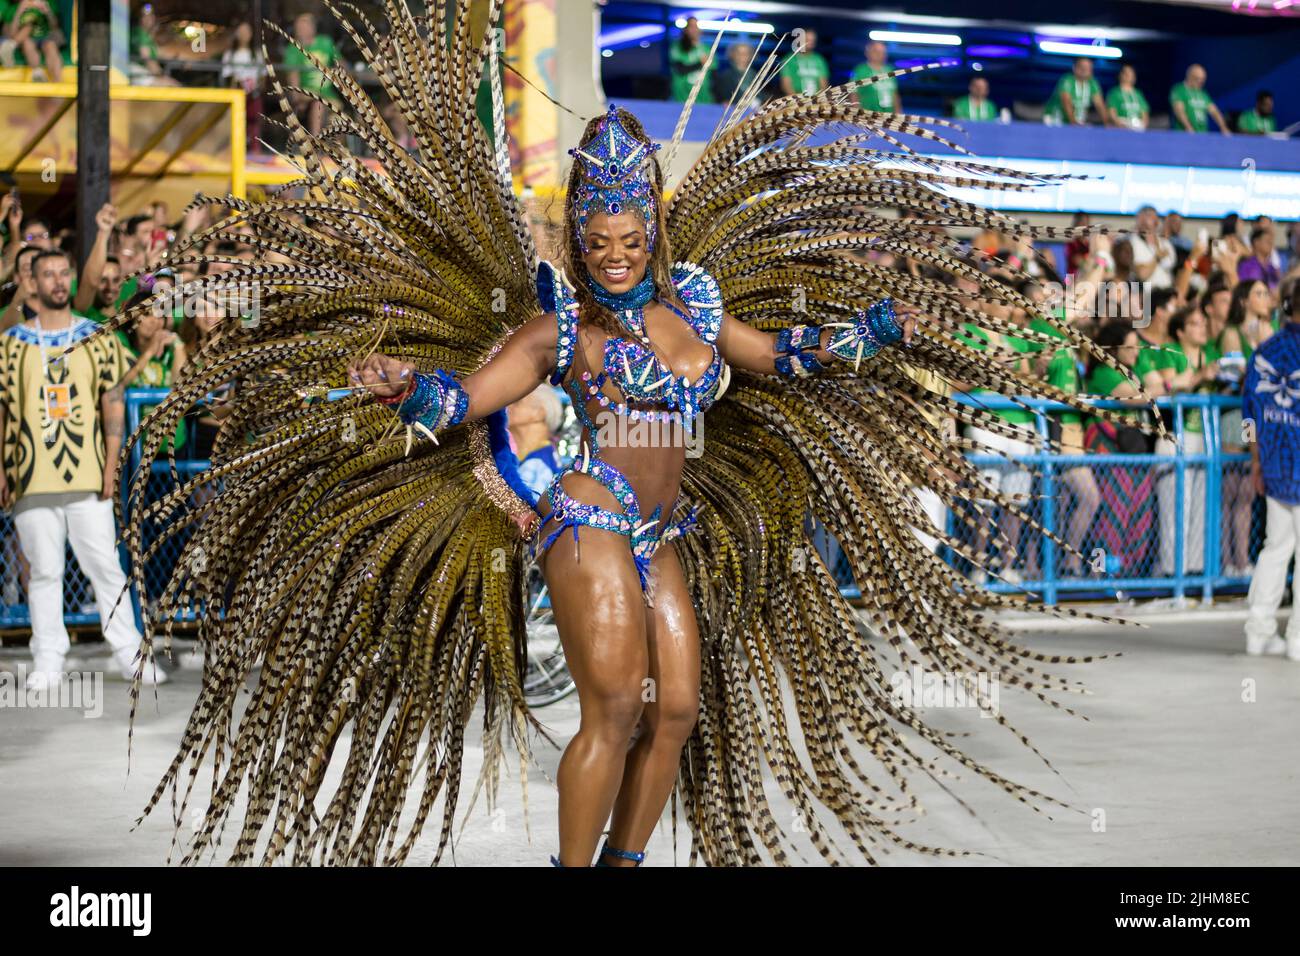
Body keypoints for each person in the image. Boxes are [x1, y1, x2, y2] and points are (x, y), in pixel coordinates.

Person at [108, 3, 1134, 869]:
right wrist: (400, 385)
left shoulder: (695, 297)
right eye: (594, 236)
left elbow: (774, 355)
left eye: (626, 233)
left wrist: (863, 332)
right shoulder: (558, 320)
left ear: (651, 222)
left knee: (675, 709)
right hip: (585, 509)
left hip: (663, 526)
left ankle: (622, 861)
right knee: (613, 706)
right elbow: (465, 396)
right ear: (579, 230)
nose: (609, 250)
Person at [0, 250, 165, 689]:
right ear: (31, 284)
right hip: (30, 475)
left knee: (106, 568)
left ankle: (131, 654)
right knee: (44, 571)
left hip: (87, 475)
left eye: (62, 273)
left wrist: (112, 465)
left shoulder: (97, 335)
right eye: (47, 274)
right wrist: (1, 467)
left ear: (70, 280)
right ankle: (48, 660)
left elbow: (111, 400)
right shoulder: (11, 342)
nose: (56, 281)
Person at [1242, 280, 1300, 658]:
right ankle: (1297, 639)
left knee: (1276, 546)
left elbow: (1249, 417)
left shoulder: (1263, 352)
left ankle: (1259, 631)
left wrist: (1256, 461)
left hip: (1276, 465)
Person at [1083, 322, 1157, 576]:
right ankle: (1099, 572)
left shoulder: (1132, 370)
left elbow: (1151, 389)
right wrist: (1163, 388)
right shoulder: (1103, 372)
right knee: (1112, 510)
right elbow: (1138, 397)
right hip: (1106, 444)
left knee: (1138, 506)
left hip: (1131, 446)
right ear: (1114, 348)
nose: (1136, 352)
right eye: (1130, 346)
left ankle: (1126, 569)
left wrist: (1156, 387)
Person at [1154, 305, 1218, 577]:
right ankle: (1172, 570)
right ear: (1180, 331)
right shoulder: (1169, 352)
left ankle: (1195, 569)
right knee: (1176, 504)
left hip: (1204, 437)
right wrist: (1200, 376)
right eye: (1194, 323)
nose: (1202, 327)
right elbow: (1171, 387)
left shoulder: (1211, 354)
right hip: (1174, 436)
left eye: (1203, 322)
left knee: (1202, 506)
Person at [284, 13, 343, 137]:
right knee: (318, 103)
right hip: (306, 94)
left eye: (303, 26)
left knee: (338, 112)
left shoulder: (326, 43)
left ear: (313, 27)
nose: (300, 29)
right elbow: (292, 76)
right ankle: (316, 143)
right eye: (298, 27)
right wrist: (296, 101)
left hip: (329, 95)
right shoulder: (293, 48)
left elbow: (341, 64)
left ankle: (338, 150)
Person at [507, 383, 564, 501]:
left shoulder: (538, 465)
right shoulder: (542, 457)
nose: (508, 407)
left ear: (539, 413)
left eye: (517, 403)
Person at [220, 21, 264, 155]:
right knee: (237, 121)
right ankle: (236, 149)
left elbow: (263, 76)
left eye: (247, 31)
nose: (244, 35)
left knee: (254, 122)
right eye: (241, 31)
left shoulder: (257, 55)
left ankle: (255, 149)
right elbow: (227, 76)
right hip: (237, 95)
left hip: (254, 94)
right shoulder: (230, 54)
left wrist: (256, 88)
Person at [2, 0, 63, 81]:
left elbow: (54, 26)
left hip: (46, 38)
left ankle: (58, 84)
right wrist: (19, 11)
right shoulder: (13, 8)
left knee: (50, 46)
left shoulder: (48, 2)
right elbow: (12, 33)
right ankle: (38, 73)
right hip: (26, 40)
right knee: (27, 40)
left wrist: (48, 12)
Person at [1043, 57, 1108, 126]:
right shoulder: (1067, 80)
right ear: (1074, 68)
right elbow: (1066, 102)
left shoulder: (1092, 83)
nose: (1085, 70)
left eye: (1088, 67)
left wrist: (1107, 123)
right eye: (1082, 67)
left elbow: (1100, 105)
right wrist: (1073, 122)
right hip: (1055, 119)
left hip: (1077, 121)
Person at [1170, 64, 1230, 135]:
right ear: (1189, 76)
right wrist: (1188, 127)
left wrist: (1223, 127)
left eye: (1203, 79)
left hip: (1202, 135)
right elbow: (1179, 111)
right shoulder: (1179, 90)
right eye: (1197, 79)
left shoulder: (1203, 94)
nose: (1201, 82)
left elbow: (1214, 111)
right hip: (1185, 134)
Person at [667, 16, 713, 104]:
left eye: (696, 26)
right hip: (681, 97)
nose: (694, 29)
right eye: (691, 26)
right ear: (685, 30)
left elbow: (713, 73)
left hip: (704, 98)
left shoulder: (706, 48)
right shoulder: (677, 47)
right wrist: (700, 63)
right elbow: (679, 68)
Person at [852, 40, 899, 114]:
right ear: (867, 53)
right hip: (868, 116)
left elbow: (894, 94)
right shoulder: (861, 70)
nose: (879, 54)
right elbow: (853, 93)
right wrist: (858, 113)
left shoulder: (889, 69)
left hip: (888, 116)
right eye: (876, 51)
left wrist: (898, 113)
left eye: (882, 52)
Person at [779, 27, 828, 97]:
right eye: (807, 40)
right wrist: (796, 101)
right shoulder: (789, 59)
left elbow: (823, 83)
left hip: (816, 101)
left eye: (813, 40)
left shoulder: (819, 59)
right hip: (795, 101)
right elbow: (786, 83)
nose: (810, 43)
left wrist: (821, 99)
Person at [1106, 63, 1148, 130]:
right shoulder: (1115, 93)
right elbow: (1111, 112)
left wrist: (1143, 125)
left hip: (1137, 126)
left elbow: (1144, 113)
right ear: (1120, 75)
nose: (1128, 76)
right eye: (1126, 73)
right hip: (1121, 126)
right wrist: (1119, 125)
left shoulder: (1138, 94)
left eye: (1131, 74)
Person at [1238, 226, 1281, 291]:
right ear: (1256, 242)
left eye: (1271, 241)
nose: (1271, 244)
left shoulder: (1272, 268)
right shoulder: (1246, 266)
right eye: (1267, 241)